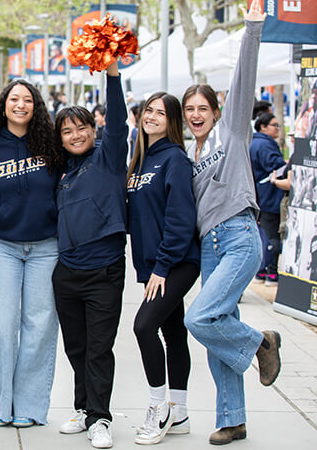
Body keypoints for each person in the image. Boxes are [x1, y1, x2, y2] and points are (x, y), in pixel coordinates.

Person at [181, 0, 282, 446]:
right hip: (209, 248)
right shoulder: (189, 156)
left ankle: (262, 341)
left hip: (239, 236)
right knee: (218, 323)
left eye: (203, 107)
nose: (196, 114)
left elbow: (242, 83)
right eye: (189, 110)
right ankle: (233, 419)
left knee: (200, 318)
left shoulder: (233, 134)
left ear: (216, 111)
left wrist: (252, 30)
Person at [0, 79, 63, 429]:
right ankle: (3, 402)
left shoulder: (50, 142)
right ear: (3, 103)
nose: (21, 105)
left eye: (28, 100)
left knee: (40, 325)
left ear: (36, 105)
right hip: (2, 246)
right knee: (3, 323)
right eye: (14, 99)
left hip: (46, 246)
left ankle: (29, 406)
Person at [52, 60, 126, 449]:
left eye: (82, 127)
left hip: (105, 271)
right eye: (67, 130)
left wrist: (112, 75)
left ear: (93, 130)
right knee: (76, 348)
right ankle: (83, 409)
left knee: (99, 348)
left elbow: (118, 122)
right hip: (67, 273)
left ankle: (100, 418)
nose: (76, 134)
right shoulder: (60, 170)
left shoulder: (108, 157)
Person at [126, 92, 200, 445]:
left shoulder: (174, 160)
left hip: (177, 261)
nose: (152, 117)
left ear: (172, 122)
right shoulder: (140, 159)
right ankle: (181, 410)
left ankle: (160, 407)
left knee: (143, 326)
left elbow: (181, 220)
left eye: (161, 113)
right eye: (148, 110)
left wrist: (162, 267)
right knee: (172, 332)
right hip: (155, 264)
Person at [250, 112, 287, 286]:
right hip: (269, 197)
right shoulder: (264, 145)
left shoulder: (253, 142)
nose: (278, 128)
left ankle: (262, 271)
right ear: (263, 126)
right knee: (272, 236)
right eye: (274, 125)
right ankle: (270, 272)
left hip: (259, 197)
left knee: (264, 236)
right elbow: (277, 167)